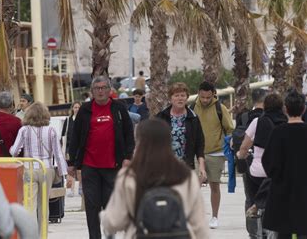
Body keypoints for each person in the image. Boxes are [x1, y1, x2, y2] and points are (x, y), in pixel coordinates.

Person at [100, 119, 209, 238]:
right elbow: (199, 226)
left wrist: (104, 217)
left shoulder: (129, 176)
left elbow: (115, 222)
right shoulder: (186, 176)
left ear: (139, 142)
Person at [68, 76, 135, 239]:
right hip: (89, 166)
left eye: (103, 87)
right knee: (92, 206)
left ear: (109, 90)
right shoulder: (85, 109)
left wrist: (127, 157)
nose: (100, 91)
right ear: (92, 91)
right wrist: (71, 162)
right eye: (96, 88)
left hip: (113, 166)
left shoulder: (119, 108)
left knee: (110, 206)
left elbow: (129, 135)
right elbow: (74, 136)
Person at [262, 90, 307, 238]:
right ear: (304, 109)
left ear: (285, 109)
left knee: (285, 230)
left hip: (284, 191)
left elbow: (268, 161)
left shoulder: (278, 132)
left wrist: (277, 176)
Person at [9, 102, 67, 235]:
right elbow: (58, 153)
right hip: (47, 169)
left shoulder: (24, 130)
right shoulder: (51, 130)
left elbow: (14, 151)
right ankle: (43, 235)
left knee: (30, 205)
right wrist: (63, 173)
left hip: (30, 168)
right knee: (44, 206)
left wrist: (10, 149)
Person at [237, 93, 287, 218]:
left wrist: (240, 155)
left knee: (250, 196)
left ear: (265, 106)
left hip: (258, 172)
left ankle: (253, 215)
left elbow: (244, 147)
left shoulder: (257, 122)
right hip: (280, 173)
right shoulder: (287, 123)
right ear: (282, 107)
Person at [191, 81, 233, 229]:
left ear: (213, 94)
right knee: (194, 185)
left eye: (208, 97)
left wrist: (228, 148)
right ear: (199, 93)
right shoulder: (191, 108)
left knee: (214, 185)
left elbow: (229, 129)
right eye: (202, 97)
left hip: (216, 152)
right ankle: (195, 216)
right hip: (196, 153)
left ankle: (214, 217)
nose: (205, 100)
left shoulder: (220, 108)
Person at [156, 82, 206, 180]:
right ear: (171, 98)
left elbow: (200, 144)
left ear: (187, 97)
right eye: (176, 95)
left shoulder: (193, 118)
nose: (180, 98)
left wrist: (202, 166)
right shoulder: (161, 117)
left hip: (187, 166)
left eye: (183, 95)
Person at [62, 102, 82, 197]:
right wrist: (64, 149)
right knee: (70, 169)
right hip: (69, 148)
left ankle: (81, 189)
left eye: (78, 107)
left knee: (79, 170)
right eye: (75, 107)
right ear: (72, 109)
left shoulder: (84, 120)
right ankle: (69, 189)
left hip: (80, 148)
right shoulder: (68, 120)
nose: (77, 109)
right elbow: (63, 135)